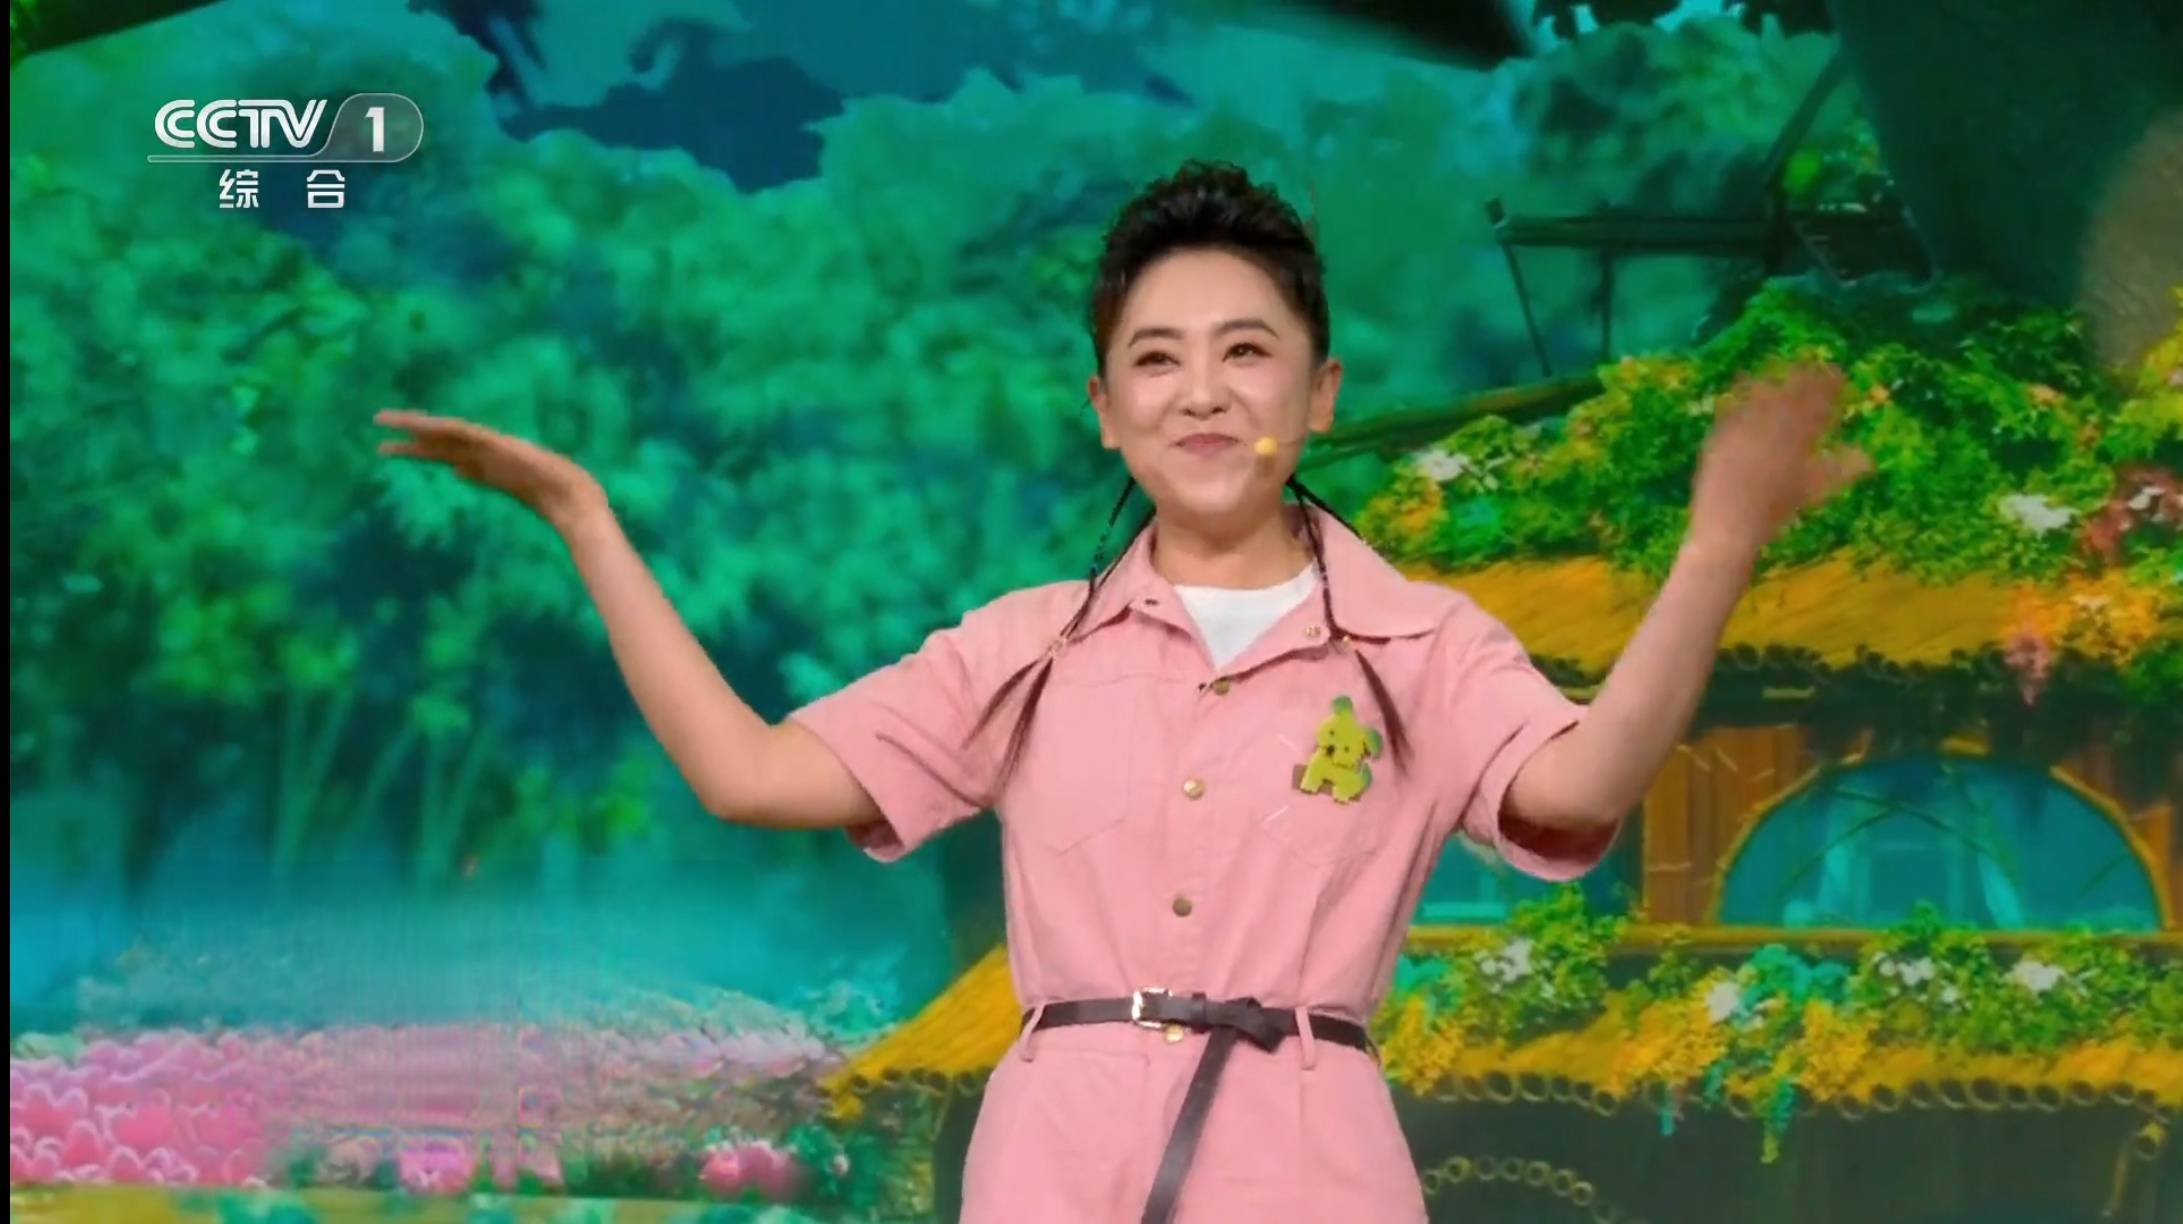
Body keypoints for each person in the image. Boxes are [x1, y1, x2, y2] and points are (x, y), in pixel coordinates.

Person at [376, 160, 1869, 1223]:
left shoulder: (1420, 644)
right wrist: (582, 517)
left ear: (1321, 393)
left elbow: (1585, 783)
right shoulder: (1025, 649)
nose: (1201, 393)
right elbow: (748, 773)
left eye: (1246, 352)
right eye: (1157, 360)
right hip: (1052, 1171)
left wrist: (1717, 547)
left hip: (1313, 1173)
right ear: (1105, 410)